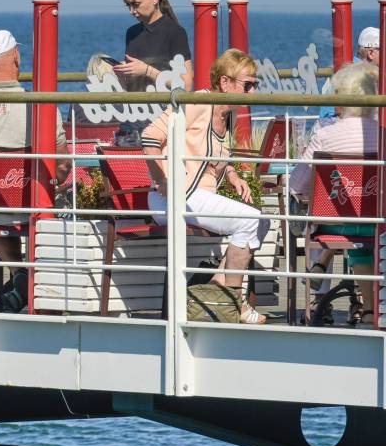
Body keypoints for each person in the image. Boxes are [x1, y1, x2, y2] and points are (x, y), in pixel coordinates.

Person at [141, 49, 271, 324]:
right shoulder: (199, 103)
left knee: (262, 222)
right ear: (225, 83)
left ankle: (217, 287)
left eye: (254, 85)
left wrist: (234, 178)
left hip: (196, 196)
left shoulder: (227, 116)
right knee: (249, 219)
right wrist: (164, 180)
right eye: (247, 85)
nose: (252, 92)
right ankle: (236, 303)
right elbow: (150, 138)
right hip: (174, 197)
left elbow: (219, 159)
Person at [0, 31, 68, 294]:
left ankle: (18, 274)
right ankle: (32, 281)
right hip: (36, 208)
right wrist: (59, 182)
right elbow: (62, 165)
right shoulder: (41, 106)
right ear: (16, 57)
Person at [289, 62, 380, 323]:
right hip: (372, 224)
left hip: (333, 225)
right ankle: (370, 310)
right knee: (361, 235)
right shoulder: (383, 135)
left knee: (323, 216)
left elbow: (297, 185)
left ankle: (319, 294)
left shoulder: (324, 135)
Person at [114, 0, 193, 91]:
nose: (131, 11)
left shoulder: (175, 32)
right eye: (128, 5)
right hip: (134, 107)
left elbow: (186, 85)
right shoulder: (131, 33)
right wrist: (121, 71)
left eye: (136, 4)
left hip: (165, 108)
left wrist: (147, 70)